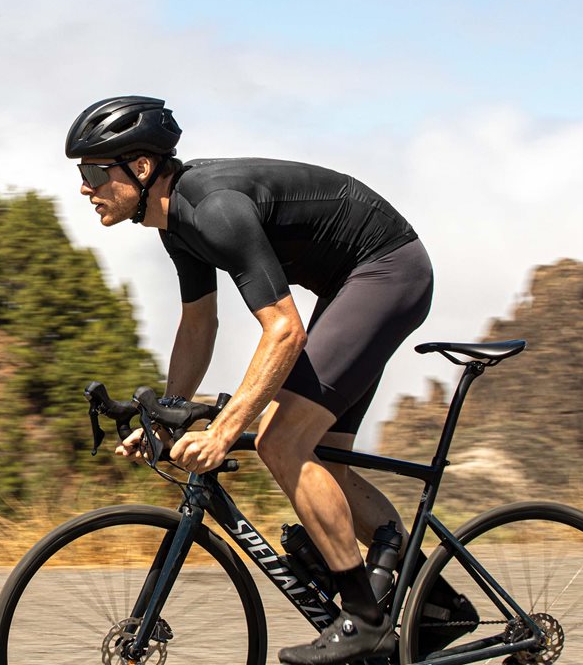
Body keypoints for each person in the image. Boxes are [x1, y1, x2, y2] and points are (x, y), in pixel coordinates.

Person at [66, 95, 470, 665]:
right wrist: (168, 415)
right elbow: (198, 324)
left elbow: (284, 330)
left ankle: (365, 618)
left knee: (281, 440)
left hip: (389, 270)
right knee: (321, 461)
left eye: (93, 172)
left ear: (141, 167)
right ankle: (440, 604)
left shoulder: (213, 210)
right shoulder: (176, 226)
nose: (85, 188)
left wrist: (224, 431)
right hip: (352, 285)